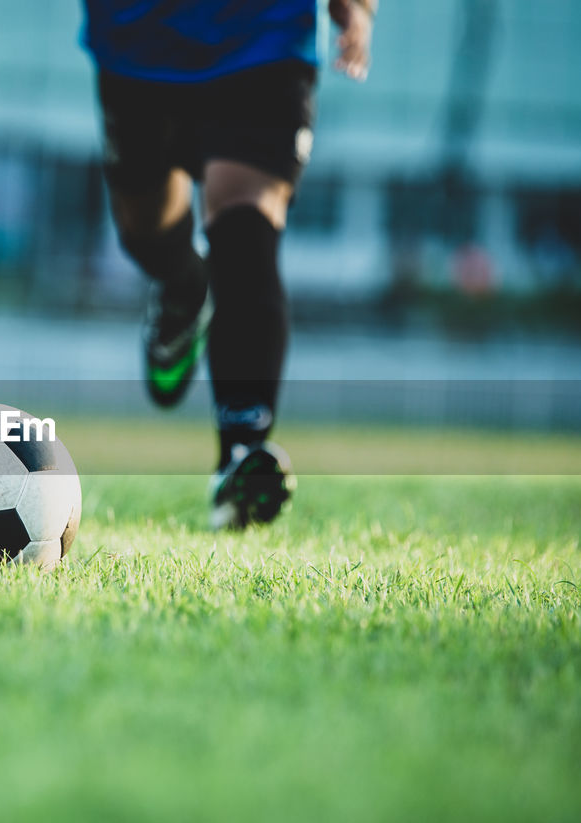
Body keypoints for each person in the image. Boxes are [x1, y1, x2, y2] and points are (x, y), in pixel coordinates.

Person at [81, 0, 376, 529]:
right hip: (138, 42)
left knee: (246, 235)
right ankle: (182, 285)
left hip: (261, 38)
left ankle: (240, 456)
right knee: (146, 232)